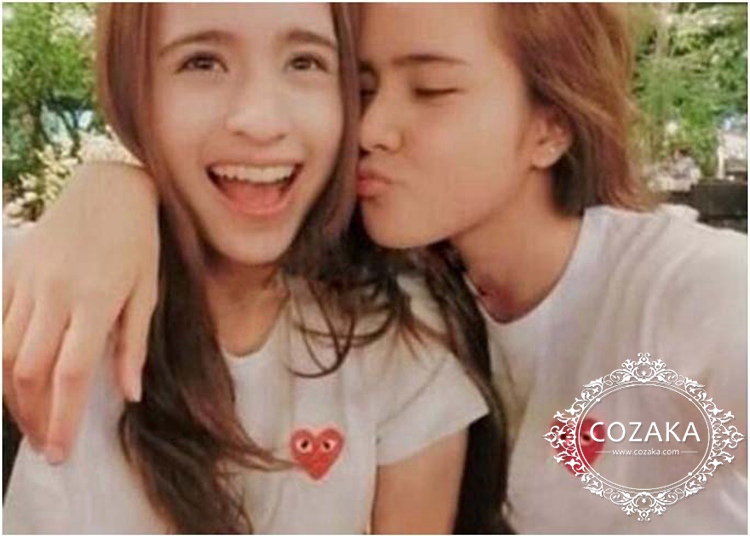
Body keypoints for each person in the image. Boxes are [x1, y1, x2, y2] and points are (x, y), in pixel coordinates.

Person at [4, 3, 747, 533]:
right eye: (362, 89)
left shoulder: (691, 292)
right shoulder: (409, 296)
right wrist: (112, 184)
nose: (374, 128)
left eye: (431, 90)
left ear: (550, 127)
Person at [3, 4, 505, 533]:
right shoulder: (43, 289)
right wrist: (109, 182)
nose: (262, 121)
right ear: (132, 89)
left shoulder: (402, 342)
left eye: (305, 62)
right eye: (201, 62)